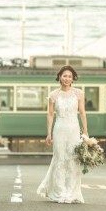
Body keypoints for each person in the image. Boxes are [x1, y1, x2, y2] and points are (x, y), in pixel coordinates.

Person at [37, 65, 88, 203]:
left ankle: (71, 192)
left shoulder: (79, 93)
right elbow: (50, 114)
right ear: (59, 77)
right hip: (59, 129)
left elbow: (82, 112)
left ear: (73, 79)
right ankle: (60, 192)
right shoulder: (53, 95)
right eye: (64, 76)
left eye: (70, 76)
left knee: (73, 159)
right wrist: (49, 133)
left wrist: (85, 131)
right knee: (59, 158)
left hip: (74, 129)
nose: (67, 79)